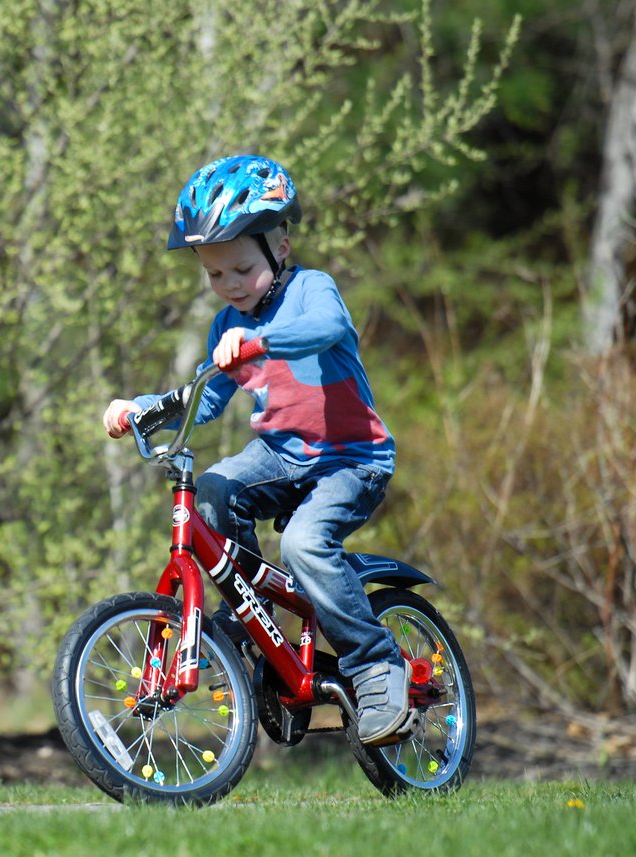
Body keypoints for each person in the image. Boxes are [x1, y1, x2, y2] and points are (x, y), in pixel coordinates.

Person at [101, 155, 413, 747]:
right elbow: (203, 397)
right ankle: (251, 626)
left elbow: (328, 329)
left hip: (351, 459)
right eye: (217, 276)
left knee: (303, 543)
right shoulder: (227, 324)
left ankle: (376, 666)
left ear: (281, 245)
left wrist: (260, 340)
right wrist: (140, 409)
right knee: (214, 488)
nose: (231, 286)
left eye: (243, 268)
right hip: (280, 454)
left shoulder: (311, 290)